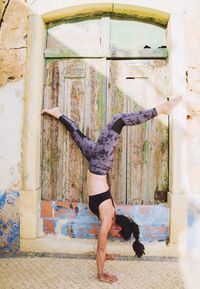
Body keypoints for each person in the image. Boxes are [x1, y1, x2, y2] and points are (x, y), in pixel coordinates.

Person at [41, 96, 182, 283]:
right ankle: (160, 110)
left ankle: (57, 112)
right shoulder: (108, 216)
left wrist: (105, 254)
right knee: (119, 119)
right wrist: (101, 275)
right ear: (117, 227)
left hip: (94, 159)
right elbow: (100, 248)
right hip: (101, 160)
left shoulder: (110, 214)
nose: (112, 235)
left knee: (76, 134)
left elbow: (102, 248)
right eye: (116, 234)